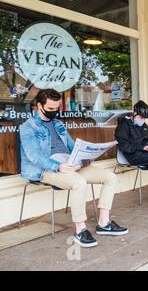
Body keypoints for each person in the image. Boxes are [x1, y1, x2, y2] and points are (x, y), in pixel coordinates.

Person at [19, 89, 128, 248]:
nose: (54, 111)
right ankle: (80, 229)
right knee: (79, 182)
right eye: (50, 109)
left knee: (110, 177)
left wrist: (85, 156)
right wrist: (58, 166)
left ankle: (104, 223)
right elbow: (33, 155)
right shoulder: (28, 127)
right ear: (38, 106)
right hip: (46, 170)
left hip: (68, 164)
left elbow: (71, 146)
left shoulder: (58, 124)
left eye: (56, 108)